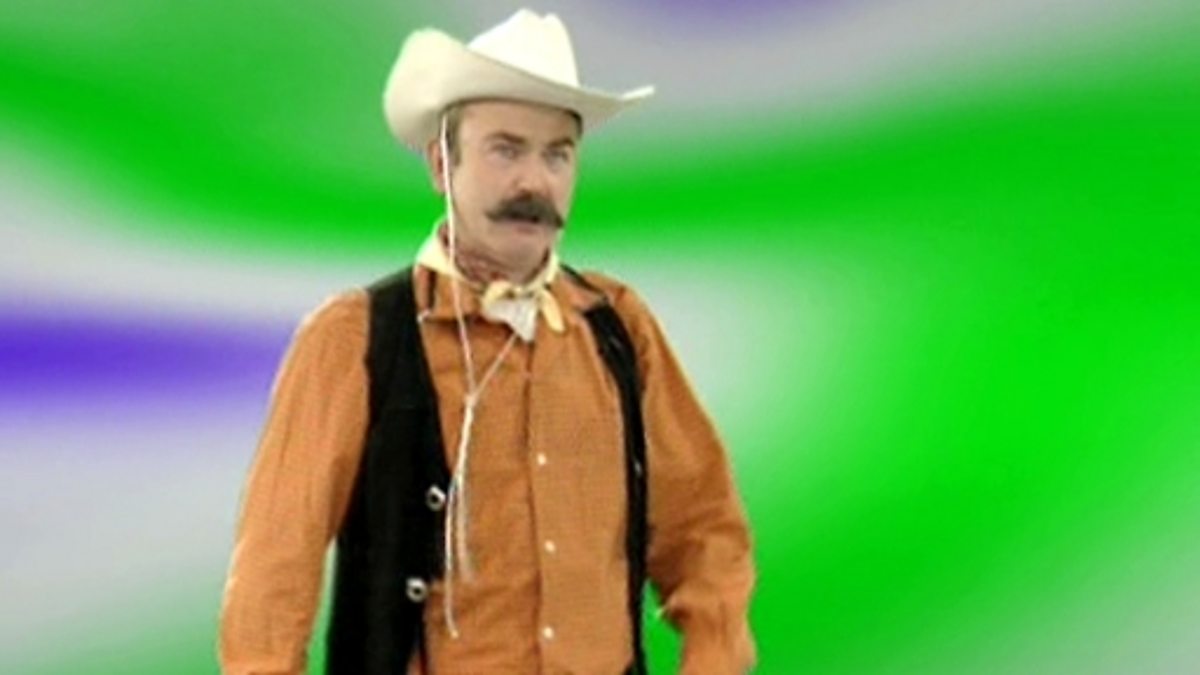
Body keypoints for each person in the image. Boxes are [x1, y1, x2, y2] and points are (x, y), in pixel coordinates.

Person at [218, 9, 756, 675]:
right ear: (441, 164)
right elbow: (273, 575)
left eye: (557, 154)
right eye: (506, 149)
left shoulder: (617, 327)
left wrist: (713, 657)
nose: (535, 182)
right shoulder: (354, 338)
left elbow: (704, 531)